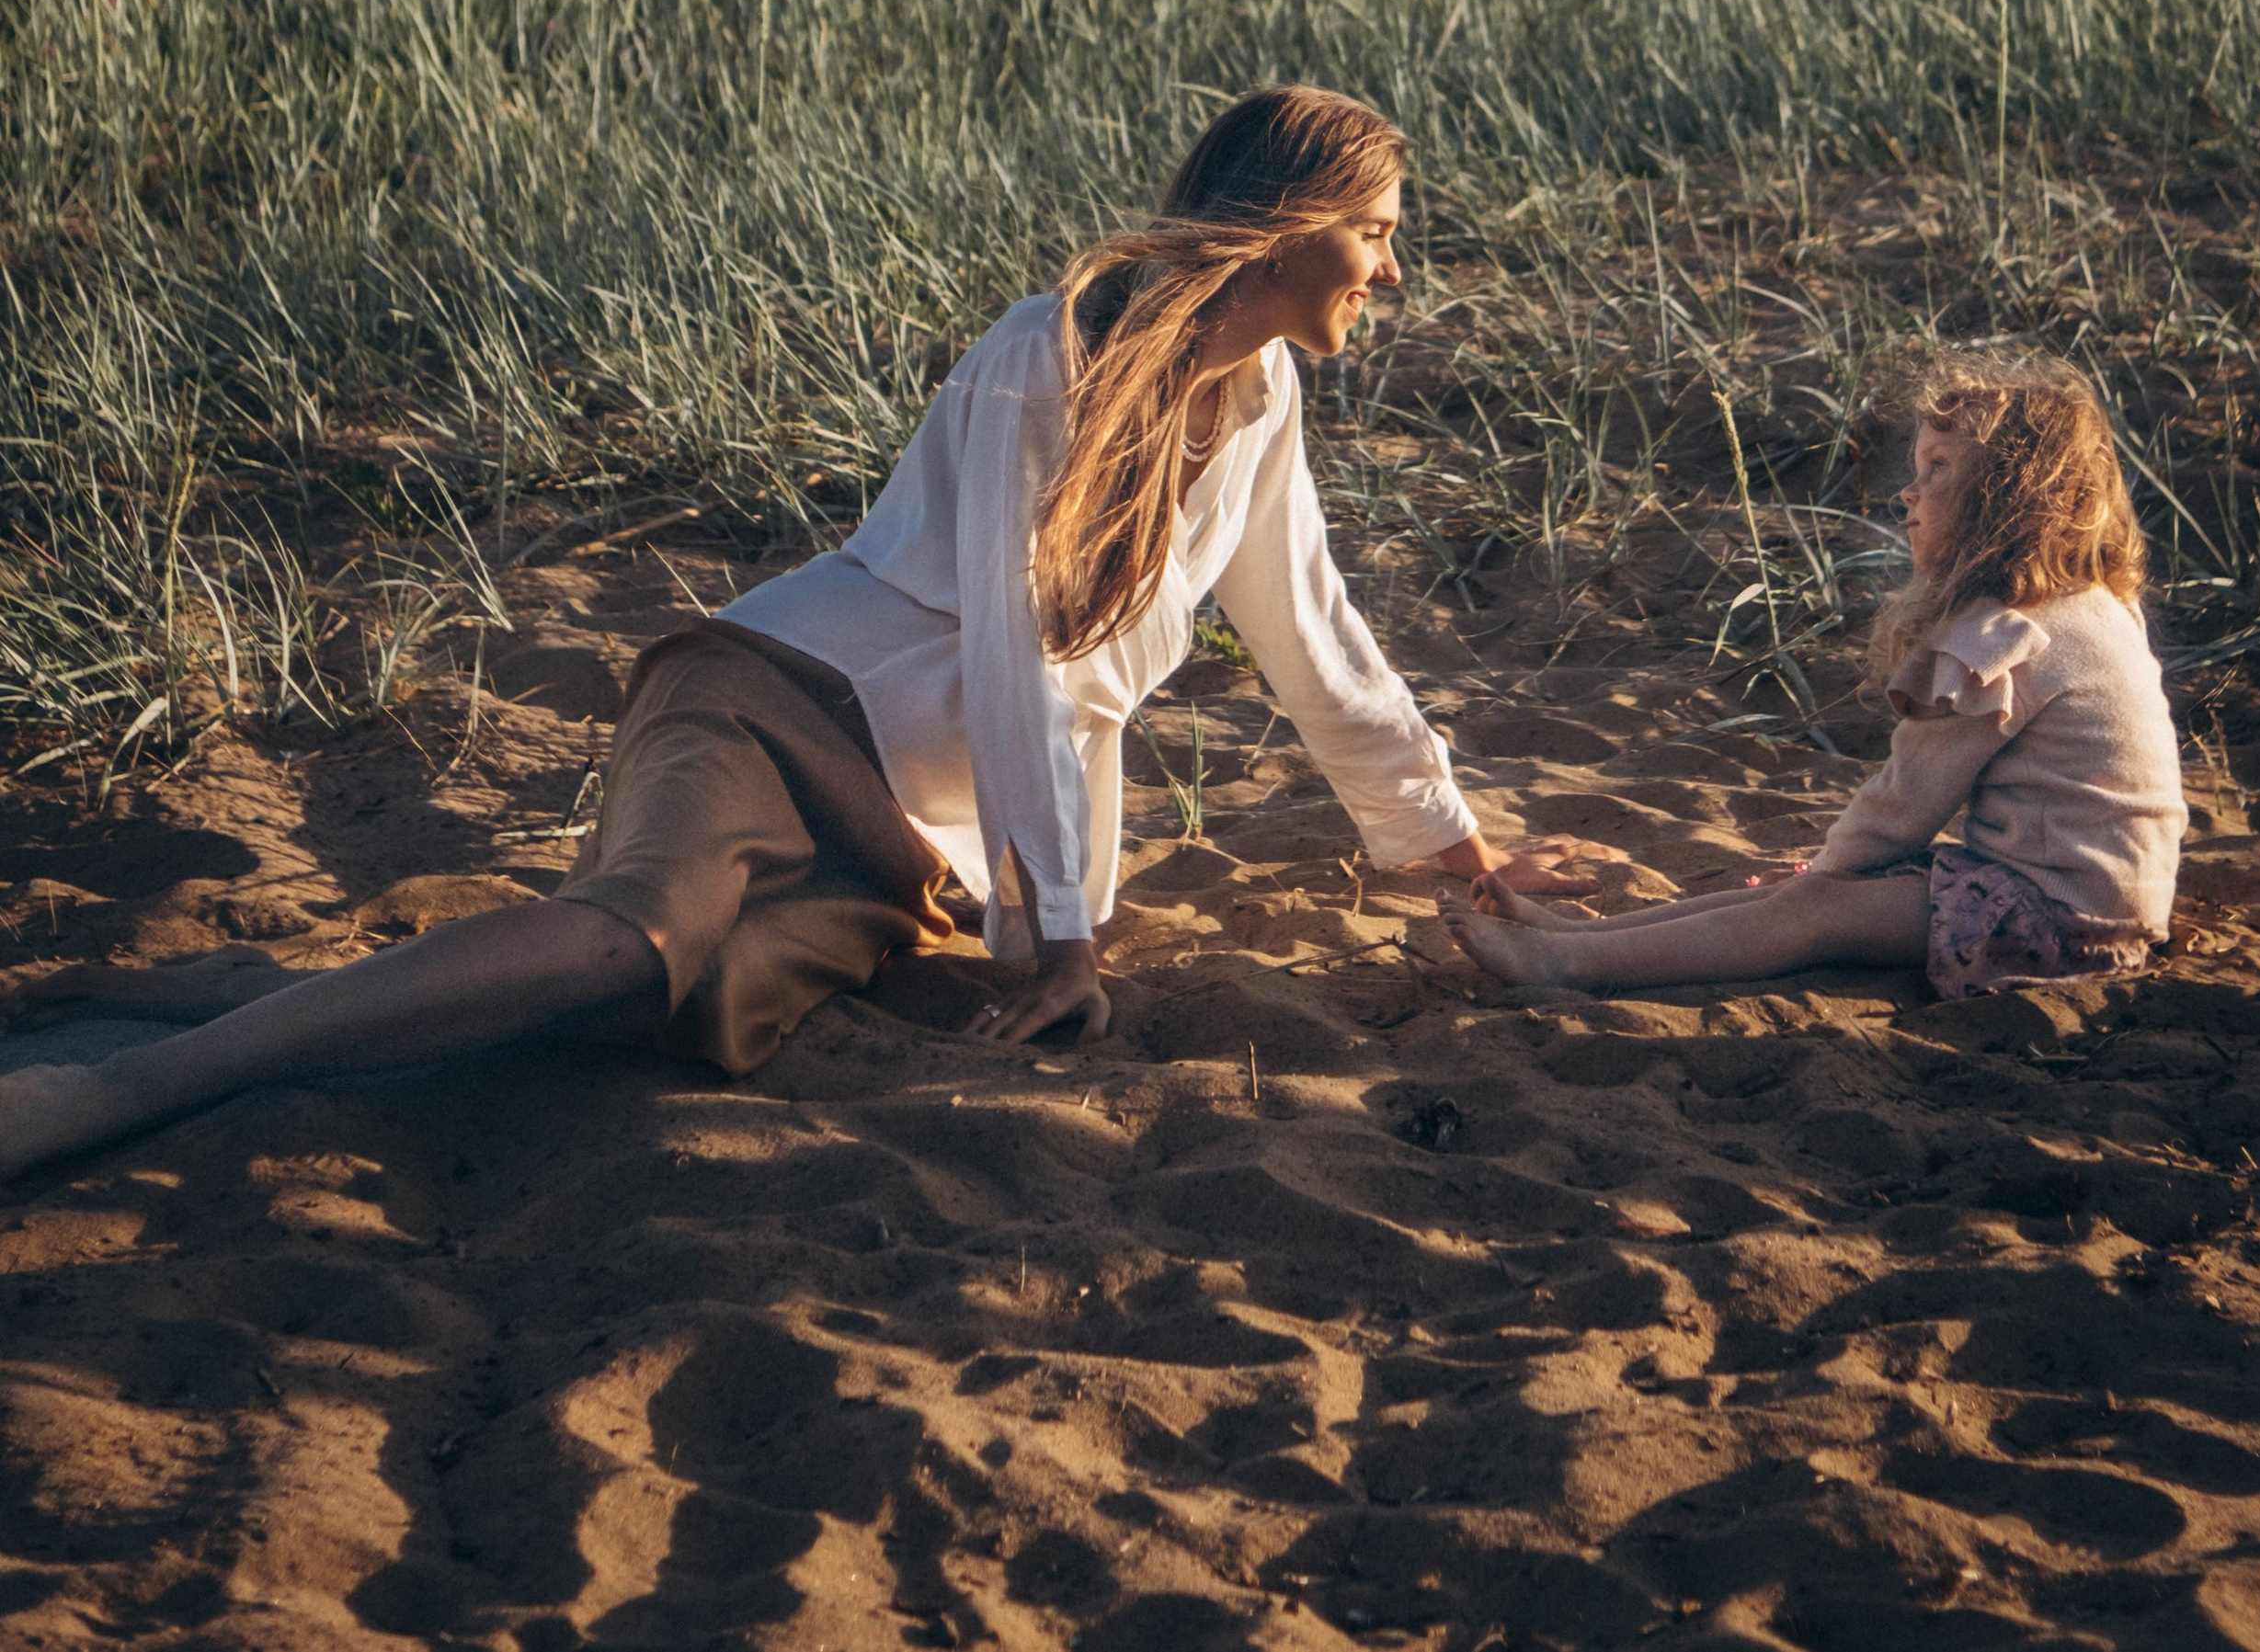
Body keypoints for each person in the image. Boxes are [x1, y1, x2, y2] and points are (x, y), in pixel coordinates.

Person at [4, 85, 1554, 1179]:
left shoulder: (1264, 391)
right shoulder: (1047, 354)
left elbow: (1315, 632)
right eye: (1377, 229)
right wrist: (1066, 923)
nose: (1393, 268)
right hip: (776, 704)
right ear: (1287, 227)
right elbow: (1014, 647)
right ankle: (133, 1081)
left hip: (916, 822)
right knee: (635, 932)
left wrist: (1444, 843)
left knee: (655, 1005)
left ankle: (198, 1002)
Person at [1445, 342, 2186, 1001]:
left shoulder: (2004, 637)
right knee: (1802, 892)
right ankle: (1576, 936)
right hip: (2099, 905)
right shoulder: (2095, 605)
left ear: (2008, 499)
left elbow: (1905, 804)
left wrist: (1829, 876)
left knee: (1809, 907)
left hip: (2060, 923)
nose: (1910, 492)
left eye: (1938, 471)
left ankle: (1571, 964)